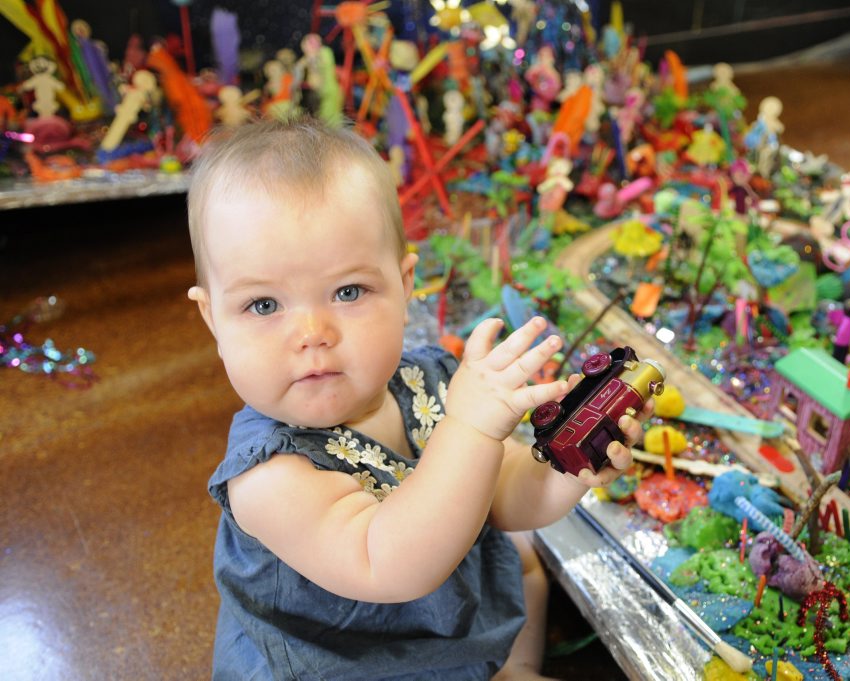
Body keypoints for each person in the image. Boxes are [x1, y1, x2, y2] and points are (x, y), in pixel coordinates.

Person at [186, 117, 651, 680]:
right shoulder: (268, 477)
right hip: (359, 666)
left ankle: (508, 668)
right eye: (263, 305)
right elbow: (391, 563)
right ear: (212, 318)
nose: (311, 332)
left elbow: (502, 493)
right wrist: (471, 430)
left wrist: (567, 465)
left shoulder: (425, 379)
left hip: (443, 631)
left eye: (348, 291)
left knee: (525, 557)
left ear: (406, 286)